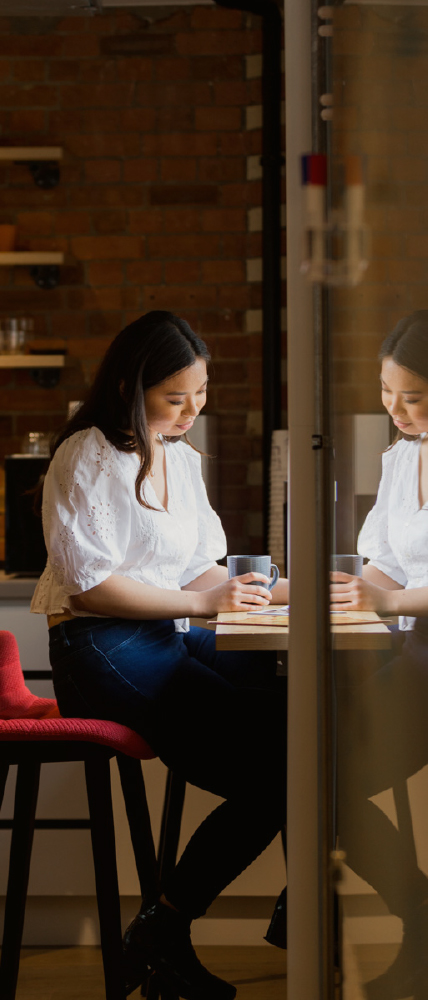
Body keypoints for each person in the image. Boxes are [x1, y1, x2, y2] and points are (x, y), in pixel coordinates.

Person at [31, 310, 289, 1000]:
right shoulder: (87, 453)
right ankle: (165, 929)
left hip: (164, 633)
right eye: (176, 398)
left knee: (296, 716)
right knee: (276, 772)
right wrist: (208, 604)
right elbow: (90, 589)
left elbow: (199, 569)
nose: (191, 411)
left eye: (200, 395)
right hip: (98, 646)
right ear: (129, 384)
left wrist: (269, 590)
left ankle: (302, 892)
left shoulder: (180, 457)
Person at [331, 311, 428, 1000]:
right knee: (310, 766)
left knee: (321, 773)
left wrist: (386, 601)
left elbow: (400, 594)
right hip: (415, 643)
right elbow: (389, 568)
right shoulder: (404, 455)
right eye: (387, 391)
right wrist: (347, 589)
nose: (394, 409)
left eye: (413, 396)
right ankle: (418, 920)